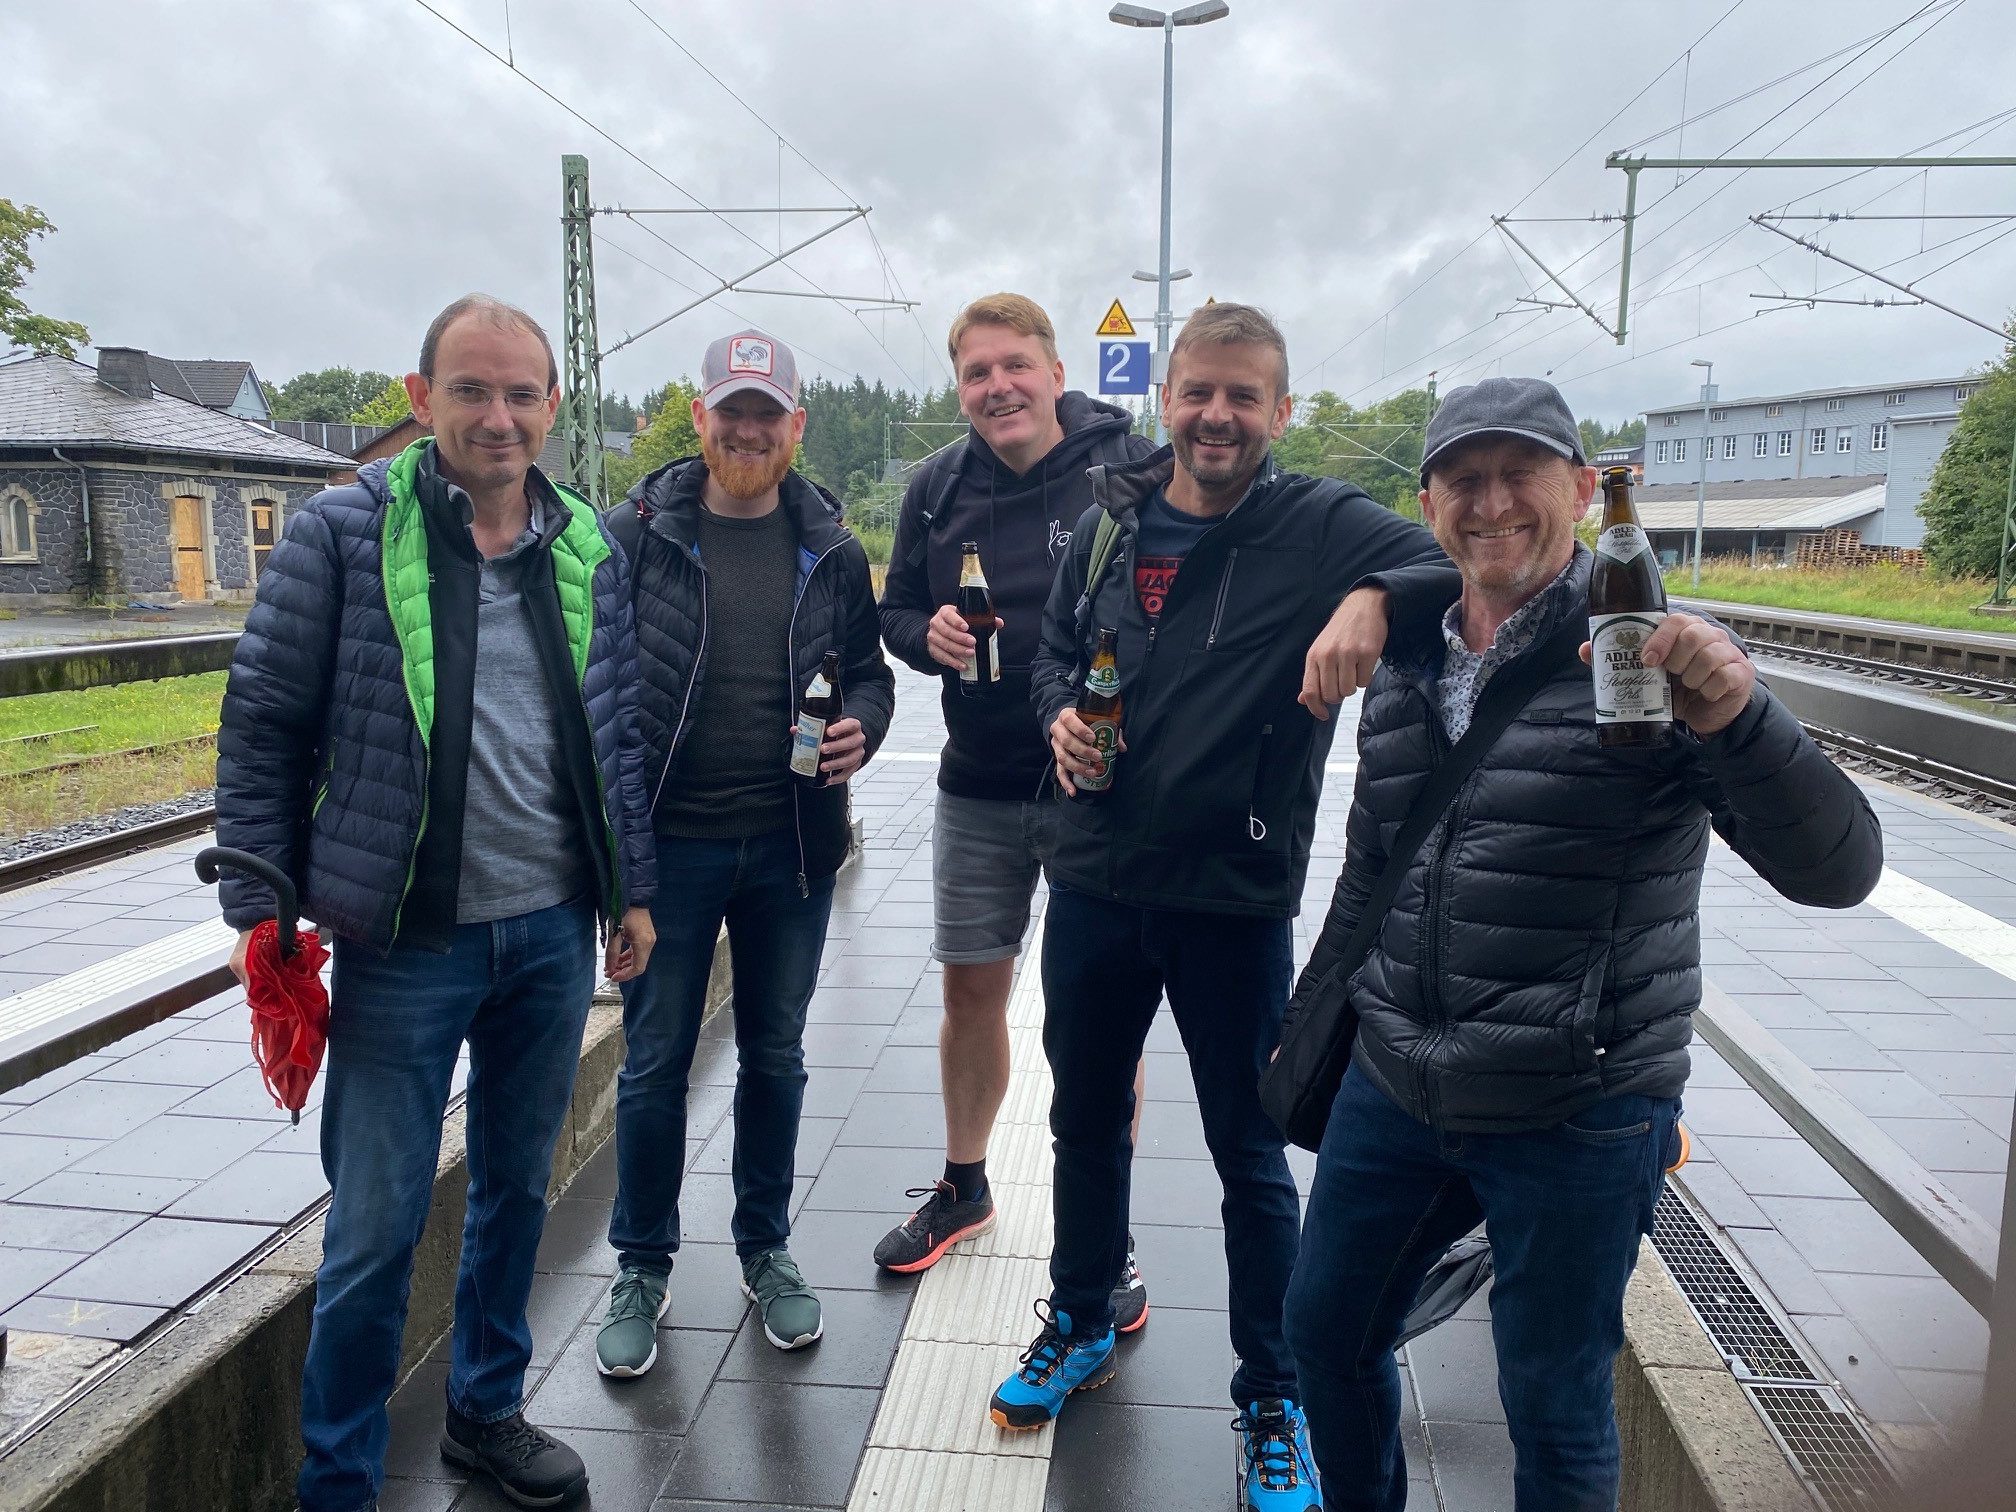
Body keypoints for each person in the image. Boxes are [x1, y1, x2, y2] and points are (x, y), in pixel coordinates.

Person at [1280, 376, 1884, 1511]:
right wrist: (1326, 1014)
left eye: (1521, 474)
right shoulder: (1406, 654)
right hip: (1398, 1080)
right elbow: (1371, 867)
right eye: (1464, 480)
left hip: (1577, 1103)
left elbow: (1838, 872)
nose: (1492, 503)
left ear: (1581, 490)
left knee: (1554, 1406)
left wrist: (1746, 720)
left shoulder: (1650, 656)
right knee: (1323, 1332)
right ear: (1427, 504)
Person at [1002, 303, 1455, 1512]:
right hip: (1093, 881)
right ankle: (1082, 1319)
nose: (1217, 416)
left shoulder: (1316, 524)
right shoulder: (1109, 522)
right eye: (1198, 392)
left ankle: (1272, 1394)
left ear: (1280, 412)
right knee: (1084, 1123)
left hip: (1232, 896)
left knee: (1251, 1155)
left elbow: (1453, 563)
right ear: (1166, 400)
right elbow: (1053, 654)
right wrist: (1058, 714)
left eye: (1243, 396)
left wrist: (1372, 598)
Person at [215, 294, 658, 1512]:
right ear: (421, 400)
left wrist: (632, 891)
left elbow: (616, 735)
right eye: (471, 390)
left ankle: (484, 1412)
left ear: (553, 406)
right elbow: (262, 724)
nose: (497, 416)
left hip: (551, 930)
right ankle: (339, 1482)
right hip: (405, 941)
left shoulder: (586, 542)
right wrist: (258, 906)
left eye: (520, 394)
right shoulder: (344, 534)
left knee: (519, 1190)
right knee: (375, 1225)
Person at [593, 330, 894, 1375]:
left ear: (796, 426)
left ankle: (765, 1249)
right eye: (733, 411)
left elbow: (871, 675)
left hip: (789, 849)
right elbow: (598, 698)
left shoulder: (833, 548)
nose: (749, 431)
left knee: (776, 1055)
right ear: (700, 417)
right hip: (668, 853)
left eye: (768, 413)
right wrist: (614, 868)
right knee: (654, 1063)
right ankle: (642, 1264)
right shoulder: (633, 538)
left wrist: (865, 726)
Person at [874, 294, 1160, 1326]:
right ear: (961, 389)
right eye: (976, 373)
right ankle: (965, 1184)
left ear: (1055, 372)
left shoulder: (1130, 468)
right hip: (979, 782)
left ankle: (1106, 1233)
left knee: (1103, 1019)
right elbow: (895, 609)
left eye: (1014, 366)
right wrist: (925, 638)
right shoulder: (937, 486)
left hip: (1098, 788)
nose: (997, 387)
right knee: (970, 991)